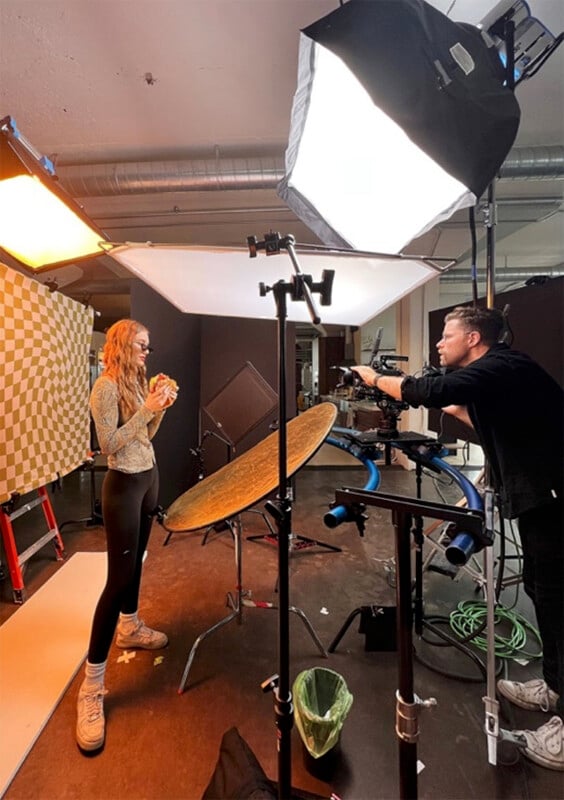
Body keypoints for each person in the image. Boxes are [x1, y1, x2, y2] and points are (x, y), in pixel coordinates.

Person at [352, 305, 563, 771]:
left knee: (559, 598)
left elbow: (430, 389)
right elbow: (497, 423)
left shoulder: (504, 364)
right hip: (539, 500)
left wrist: (375, 379)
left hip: (555, 500)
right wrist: (453, 409)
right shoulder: (499, 379)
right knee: (541, 592)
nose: (439, 344)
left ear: (473, 338)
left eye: (447, 335)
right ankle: (553, 683)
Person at [76, 319, 178, 753]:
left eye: (149, 346)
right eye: (142, 345)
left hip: (148, 479)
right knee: (115, 582)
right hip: (121, 487)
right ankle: (91, 689)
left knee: (136, 564)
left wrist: (160, 406)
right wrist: (147, 409)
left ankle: (131, 627)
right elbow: (111, 444)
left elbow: (147, 436)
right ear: (122, 343)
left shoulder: (135, 381)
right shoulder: (104, 387)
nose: (147, 353)